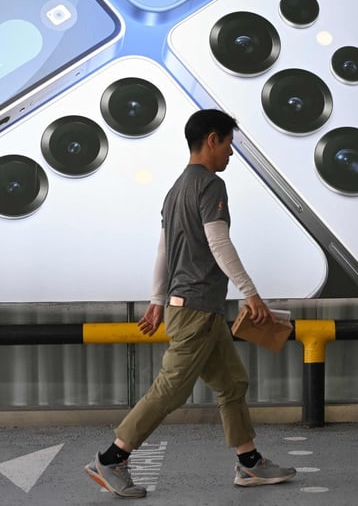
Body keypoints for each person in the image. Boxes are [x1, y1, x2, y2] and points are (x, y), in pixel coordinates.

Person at [84, 109, 297, 498]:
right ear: (212, 139)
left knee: (233, 382)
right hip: (196, 308)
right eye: (230, 144)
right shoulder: (210, 186)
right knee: (170, 389)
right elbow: (219, 243)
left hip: (196, 308)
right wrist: (250, 293)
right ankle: (112, 457)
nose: (231, 154)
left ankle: (249, 465)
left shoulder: (176, 189)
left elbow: (165, 250)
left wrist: (156, 300)